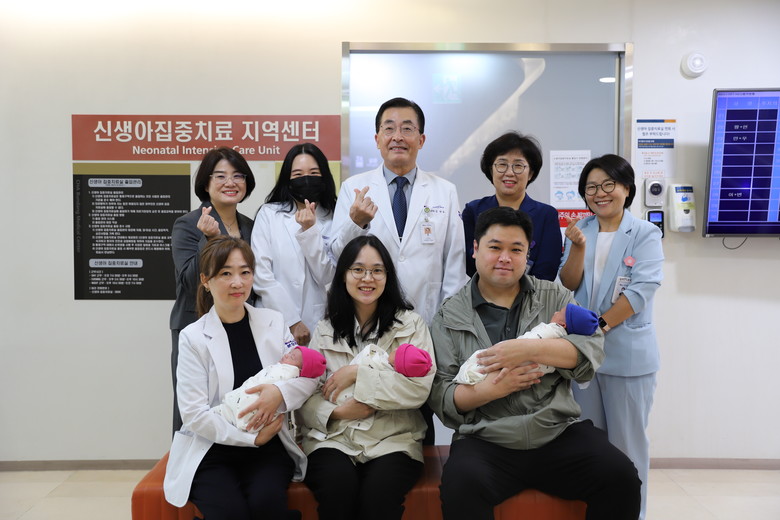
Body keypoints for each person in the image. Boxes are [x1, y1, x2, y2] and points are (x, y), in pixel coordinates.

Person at [428, 206, 640, 520]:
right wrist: (491, 390)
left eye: (516, 249)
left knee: (620, 477)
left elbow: (590, 350)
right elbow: (442, 396)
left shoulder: (555, 297)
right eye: (495, 247)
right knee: (461, 486)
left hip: (556, 432)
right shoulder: (449, 314)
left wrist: (528, 350)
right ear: (475, 249)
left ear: (528, 253)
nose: (505, 258)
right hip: (486, 438)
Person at [164, 236, 316, 520]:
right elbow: (193, 414)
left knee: (266, 505)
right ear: (205, 280)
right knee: (229, 513)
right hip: (212, 447)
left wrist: (279, 394)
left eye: (245, 272)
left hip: (268, 447)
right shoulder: (193, 337)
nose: (237, 282)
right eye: (226, 273)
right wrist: (251, 439)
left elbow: (307, 376)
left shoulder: (273, 322)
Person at [299, 235, 435, 520]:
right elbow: (306, 395)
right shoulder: (325, 329)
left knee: (378, 499)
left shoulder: (412, 325)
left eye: (377, 270)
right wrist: (336, 412)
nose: (367, 278)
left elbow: (418, 389)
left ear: (388, 276)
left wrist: (358, 373)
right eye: (358, 269)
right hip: (333, 439)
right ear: (343, 275)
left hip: (393, 439)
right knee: (337, 491)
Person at [559, 154, 663, 520]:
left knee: (628, 448)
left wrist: (598, 326)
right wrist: (577, 247)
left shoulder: (646, 233)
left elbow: (640, 291)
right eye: (591, 187)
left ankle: (634, 514)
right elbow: (568, 282)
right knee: (589, 446)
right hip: (583, 359)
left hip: (627, 356)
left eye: (608, 184)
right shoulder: (580, 230)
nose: (599, 193)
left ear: (627, 189)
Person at [328, 97, 468, 326]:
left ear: (421, 140)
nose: (398, 137)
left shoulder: (445, 191)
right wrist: (356, 223)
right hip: (369, 318)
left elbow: (455, 266)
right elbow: (337, 257)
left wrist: (445, 325)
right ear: (377, 139)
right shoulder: (353, 188)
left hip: (429, 317)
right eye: (389, 129)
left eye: (407, 129)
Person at [169, 147, 257, 434]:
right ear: (206, 184)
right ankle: (189, 461)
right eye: (220, 176)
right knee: (195, 406)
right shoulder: (188, 224)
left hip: (241, 325)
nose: (230, 182)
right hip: (196, 324)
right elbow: (189, 281)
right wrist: (209, 239)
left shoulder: (251, 226)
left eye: (238, 176)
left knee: (239, 399)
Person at [252, 143, 338, 346]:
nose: (306, 179)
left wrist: (310, 230)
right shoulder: (269, 214)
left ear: (324, 177)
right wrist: (292, 321)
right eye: (298, 174)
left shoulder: (334, 217)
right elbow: (261, 275)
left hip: (319, 323)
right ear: (287, 180)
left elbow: (328, 276)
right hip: (274, 320)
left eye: (313, 173)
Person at [462, 132, 562, 281]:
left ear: (530, 173)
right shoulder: (473, 211)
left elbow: (547, 270)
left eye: (518, 166)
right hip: (484, 292)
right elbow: (469, 263)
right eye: (502, 164)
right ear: (491, 169)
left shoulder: (546, 215)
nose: (509, 173)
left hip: (532, 293)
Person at [454, 303, 598, 384]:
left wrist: (516, 349)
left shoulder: (551, 330)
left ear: (563, 324)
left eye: (560, 312)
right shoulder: (561, 341)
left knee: (482, 359)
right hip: (532, 371)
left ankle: (470, 373)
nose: (555, 311)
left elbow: (526, 343)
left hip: (515, 361)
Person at [213, 345, 327, 432]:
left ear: (301, 370)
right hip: (243, 398)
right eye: (289, 353)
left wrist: (278, 391)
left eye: (292, 357)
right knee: (227, 413)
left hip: (255, 402)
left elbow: (311, 380)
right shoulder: (285, 366)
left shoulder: (288, 372)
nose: (286, 355)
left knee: (241, 411)